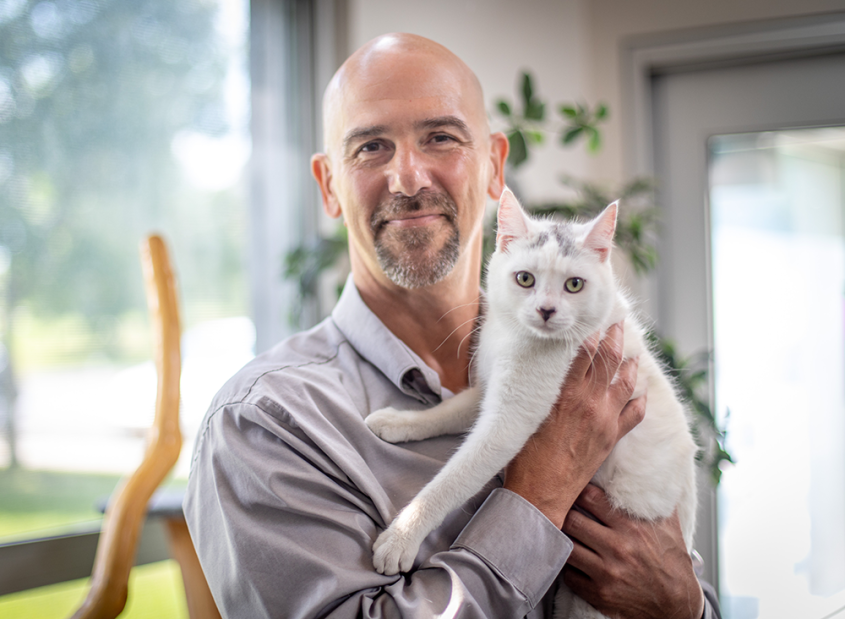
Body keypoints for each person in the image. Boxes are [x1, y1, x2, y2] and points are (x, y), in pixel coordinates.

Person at [185, 33, 721, 618]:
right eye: (370, 147)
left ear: (495, 167)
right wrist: (537, 496)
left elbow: (680, 575)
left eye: (440, 137)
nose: (409, 178)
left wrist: (682, 603)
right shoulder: (265, 424)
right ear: (328, 186)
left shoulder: (602, 373)